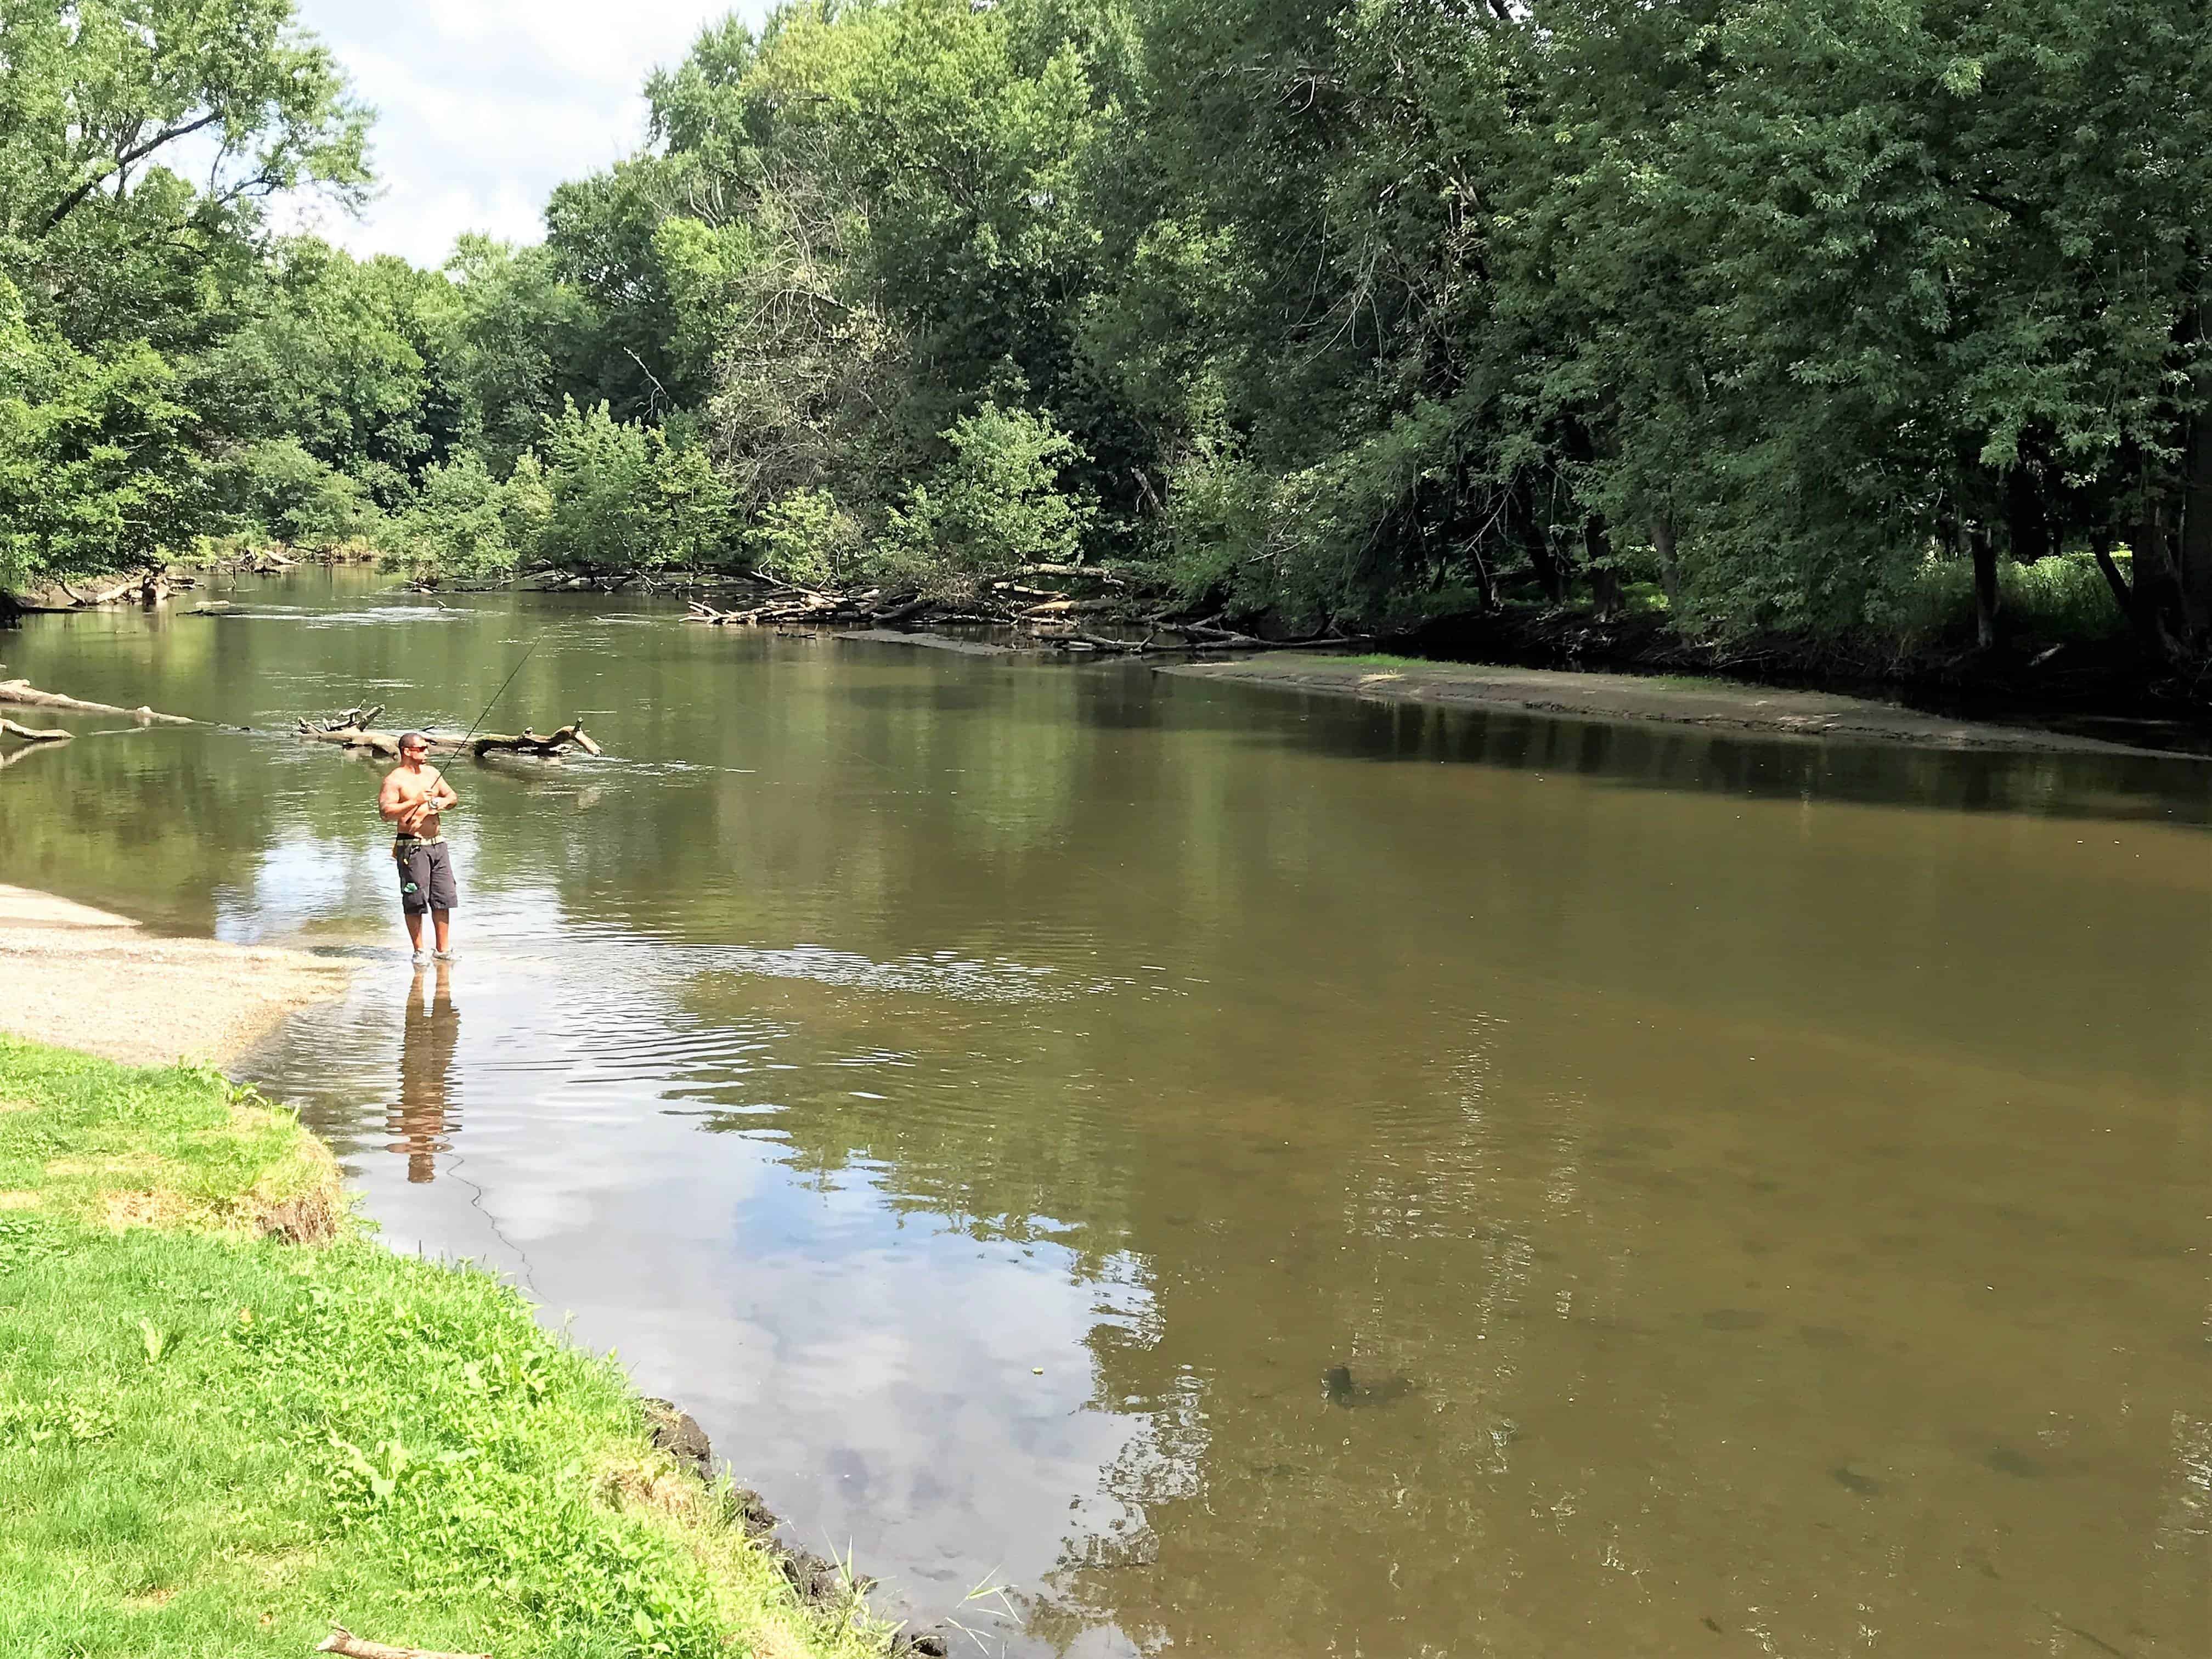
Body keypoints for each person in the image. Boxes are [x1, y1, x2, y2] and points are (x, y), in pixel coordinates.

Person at [378, 731, 460, 964]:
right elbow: (385, 813)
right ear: (407, 751)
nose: (427, 751)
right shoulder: (394, 780)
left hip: (438, 844)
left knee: (444, 897)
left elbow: (453, 796)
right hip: (411, 846)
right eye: (422, 748)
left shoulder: (432, 773)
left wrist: (443, 803)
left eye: (427, 748)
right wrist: (415, 801)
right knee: (414, 899)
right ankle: (420, 951)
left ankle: (443, 950)